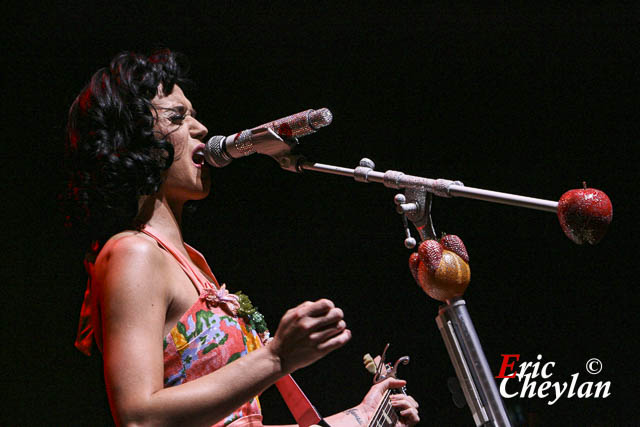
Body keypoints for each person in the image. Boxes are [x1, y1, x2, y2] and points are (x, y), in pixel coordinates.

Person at [66, 49, 420, 427]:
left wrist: (360, 418)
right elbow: (139, 418)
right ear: (132, 141)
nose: (201, 128)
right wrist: (275, 358)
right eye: (177, 117)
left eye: (194, 114)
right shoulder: (132, 252)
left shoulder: (191, 263)